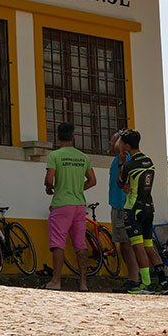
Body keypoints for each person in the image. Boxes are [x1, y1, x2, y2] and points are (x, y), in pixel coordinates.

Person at [41, 122, 97, 291]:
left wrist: (49, 188)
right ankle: (83, 284)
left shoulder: (55, 156)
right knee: (80, 244)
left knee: (58, 243)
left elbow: (49, 179)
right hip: (79, 205)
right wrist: (79, 189)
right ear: (73, 138)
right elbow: (93, 181)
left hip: (62, 205)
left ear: (57, 137)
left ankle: (56, 281)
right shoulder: (83, 157)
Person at [116, 128, 168, 294]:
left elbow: (121, 183)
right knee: (149, 246)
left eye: (120, 141)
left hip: (133, 209)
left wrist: (120, 163)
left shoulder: (128, 165)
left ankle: (145, 284)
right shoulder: (149, 161)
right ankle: (164, 283)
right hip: (148, 207)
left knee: (138, 247)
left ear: (126, 145)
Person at [108, 131, 139, 293]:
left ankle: (134, 279)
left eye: (114, 141)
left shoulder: (126, 159)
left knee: (127, 245)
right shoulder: (117, 160)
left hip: (123, 206)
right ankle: (133, 277)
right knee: (124, 245)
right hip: (117, 205)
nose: (111, 144)